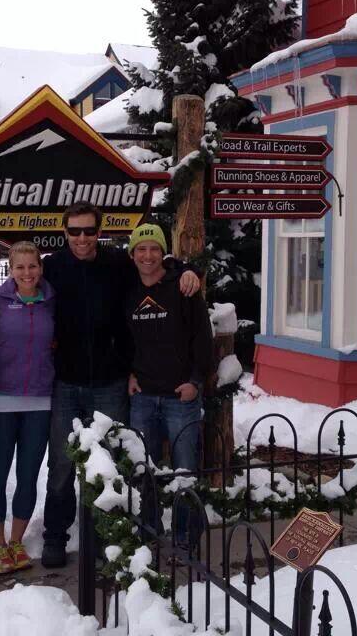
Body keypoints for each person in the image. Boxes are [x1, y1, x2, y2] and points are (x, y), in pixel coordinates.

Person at [40, 202, 201, 567]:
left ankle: (105, 537)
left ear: (100, 232)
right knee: (62, 464)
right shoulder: (53, 267)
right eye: (74, 231)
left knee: (111, 463)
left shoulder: (117, 264)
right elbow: (22, 281)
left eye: (89, 231)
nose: (82, 238)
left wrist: (187, 269)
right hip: (66, 382)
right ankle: (55, 536)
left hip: (110, 383)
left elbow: (155, 265)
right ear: (65, 232)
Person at [124, 223, 213, 546]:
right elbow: (122, 339)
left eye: (154, 249)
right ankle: (149, 530)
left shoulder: (183, 288)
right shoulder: (128, 290)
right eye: (141, 249)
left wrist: (196, 381)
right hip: (143, 396)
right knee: (143, 468)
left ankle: (186, 534)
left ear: (163, 253)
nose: (147, 256)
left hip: (180, 396)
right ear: (132, 254)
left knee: (184, 470)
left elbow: (202, 338)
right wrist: (129, 374)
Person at [0, 241, 55, 574]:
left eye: (32, 266)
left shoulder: (52, 301)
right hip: (1, 399)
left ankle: (16, 542)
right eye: (20, 267)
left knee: (28, 475)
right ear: (10, 269)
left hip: (40, 400)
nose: (27, 273)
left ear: (40, 267)